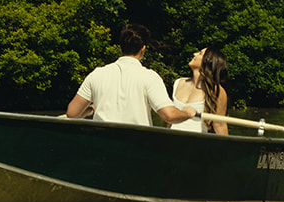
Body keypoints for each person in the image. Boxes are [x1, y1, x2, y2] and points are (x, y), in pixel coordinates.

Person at [65, 24, 196, 127]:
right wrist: (187, 113)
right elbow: (169, 115)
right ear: (143, 48)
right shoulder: (149, 77)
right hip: (135, 150)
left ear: (120, 47)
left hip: (101, 148)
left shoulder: (97, 74)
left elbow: (72, 113)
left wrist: (90, 110)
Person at [170, 47, 231, 135]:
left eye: (200, 53)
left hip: (196, 143)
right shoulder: (179, 83)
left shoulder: (216, 90)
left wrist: (227, 148)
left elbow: (220, 125)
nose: (194, 54)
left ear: (209, 61)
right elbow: (170, 119)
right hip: (172, 140)